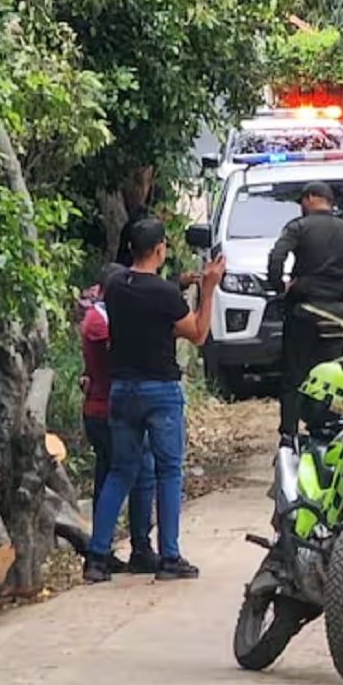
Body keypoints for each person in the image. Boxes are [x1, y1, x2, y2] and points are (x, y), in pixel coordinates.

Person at [83, 218, 225, 583]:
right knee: (168, 471)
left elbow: (141, 297)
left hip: (121, 390)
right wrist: (207, 290)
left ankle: (97, 557)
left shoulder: (115, 287)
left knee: (120, 470)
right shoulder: (164, 295)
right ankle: (170, 556)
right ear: (160, 249)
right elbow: (196, 333)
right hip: (159, 390)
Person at [267, 182, 343, 441]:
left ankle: (289, 434)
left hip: (303, 311)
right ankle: (326, 430)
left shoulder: (298, 227)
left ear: (310, 199)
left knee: (294, 375)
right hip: (336, 313)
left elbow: (276, 258)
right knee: (332, 376)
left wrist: (280, 287)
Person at [80, 263, 159, 574]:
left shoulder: (100, 317)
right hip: (108, 408)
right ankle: (131, 546)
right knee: (139, 471)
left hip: (104, 405)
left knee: (110, 476)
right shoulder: (100, 322)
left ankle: (105, 547)